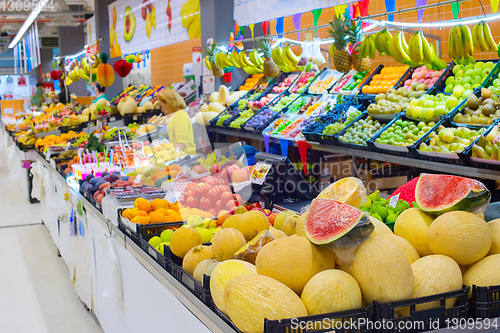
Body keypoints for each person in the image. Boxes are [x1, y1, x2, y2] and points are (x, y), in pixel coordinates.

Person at [158, 89, 196, 154]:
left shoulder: (180, 116)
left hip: (184, 158)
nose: (161, 109)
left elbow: (181, 144)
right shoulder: (174, 116)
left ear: (168, 103)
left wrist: (170, 156)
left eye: (162, 106)